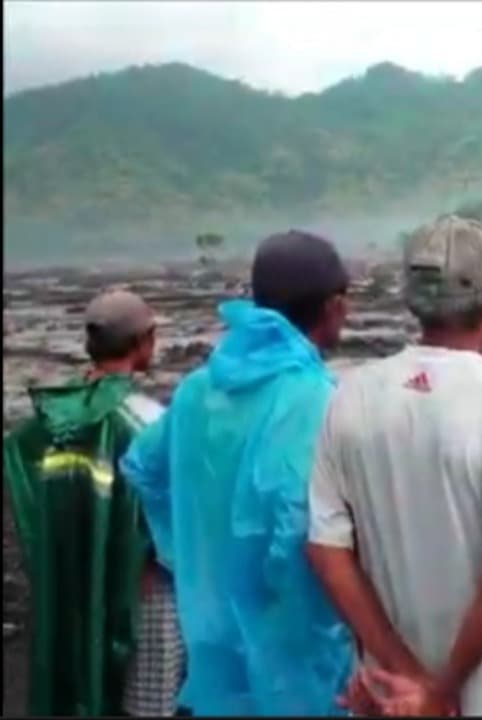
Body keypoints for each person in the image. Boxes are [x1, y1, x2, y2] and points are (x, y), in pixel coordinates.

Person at [306, 216, 482, 717]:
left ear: (412, 301)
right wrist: (439, 693)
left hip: (384, 689)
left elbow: (327, 553)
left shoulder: (347, 398)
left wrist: (403, 672)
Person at [120, 231, 355, 716]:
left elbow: (143, 469)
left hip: (211, 645)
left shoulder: (195, 391)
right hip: (294, 657)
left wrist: (187, 556)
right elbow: (296, 526)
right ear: (333, 307)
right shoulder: (317, 400)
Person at [2, 289, 185, 717]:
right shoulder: (150, 421)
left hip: (71, 582)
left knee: (79, 684)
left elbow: (26, 478)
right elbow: (173, 519)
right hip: (144, 590)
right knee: (146, 703)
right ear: (144, 342)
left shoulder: (50, 420)